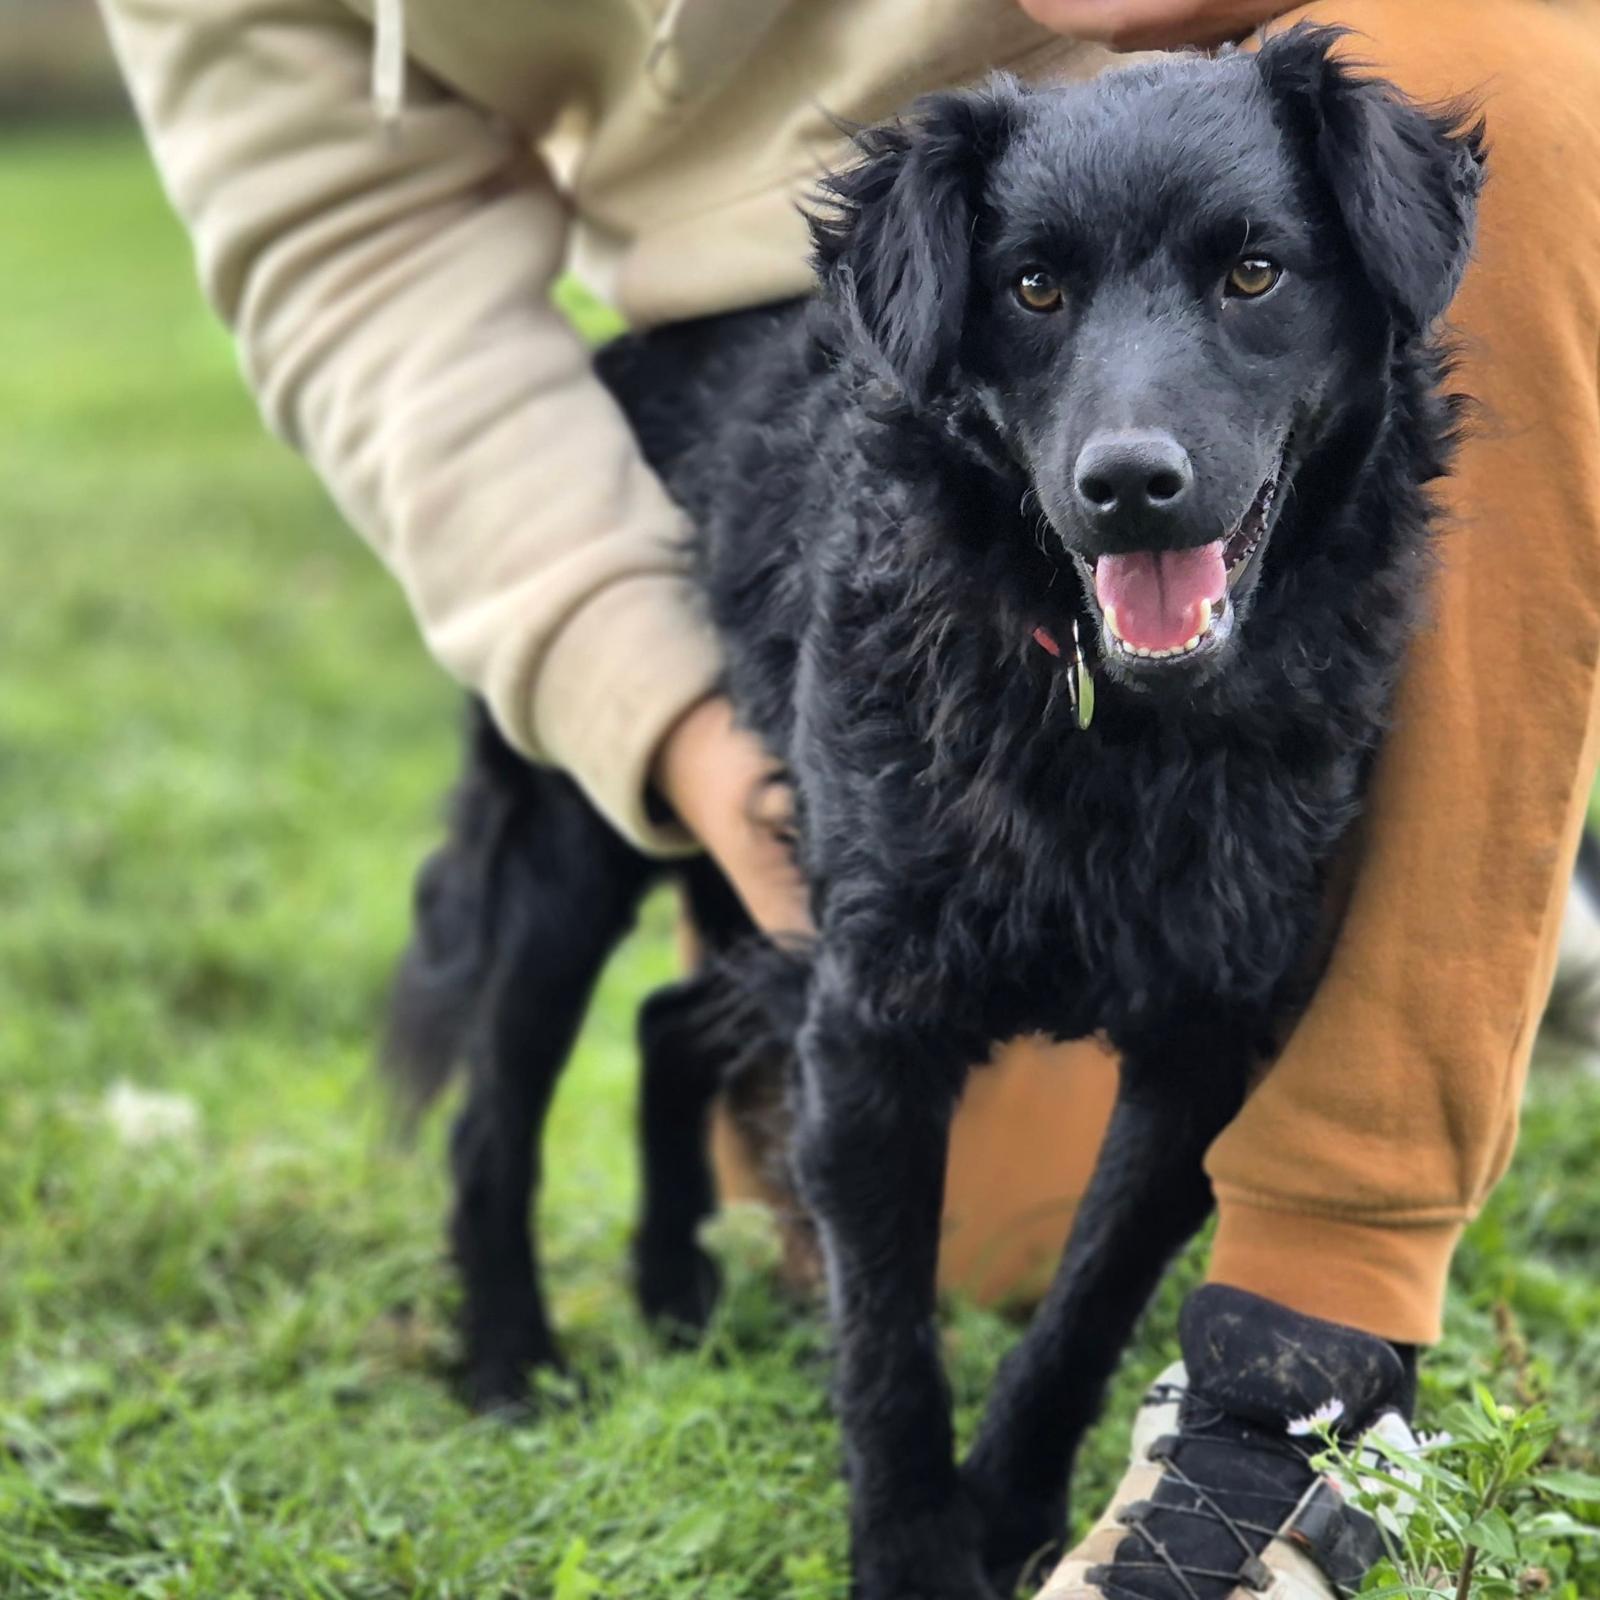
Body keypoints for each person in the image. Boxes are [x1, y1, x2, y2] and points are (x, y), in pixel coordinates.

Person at [99, 0, 1600, 1594]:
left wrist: (1021, 1456)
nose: (1135, 445)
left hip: (1152, 102)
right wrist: (671, 731)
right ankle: (491, 1243)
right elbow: (347, 255)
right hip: (778, 356)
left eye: (1249, 279)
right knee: (743, 998)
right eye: (1047, 297)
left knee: (1144, 1088)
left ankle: (1314, 1290)